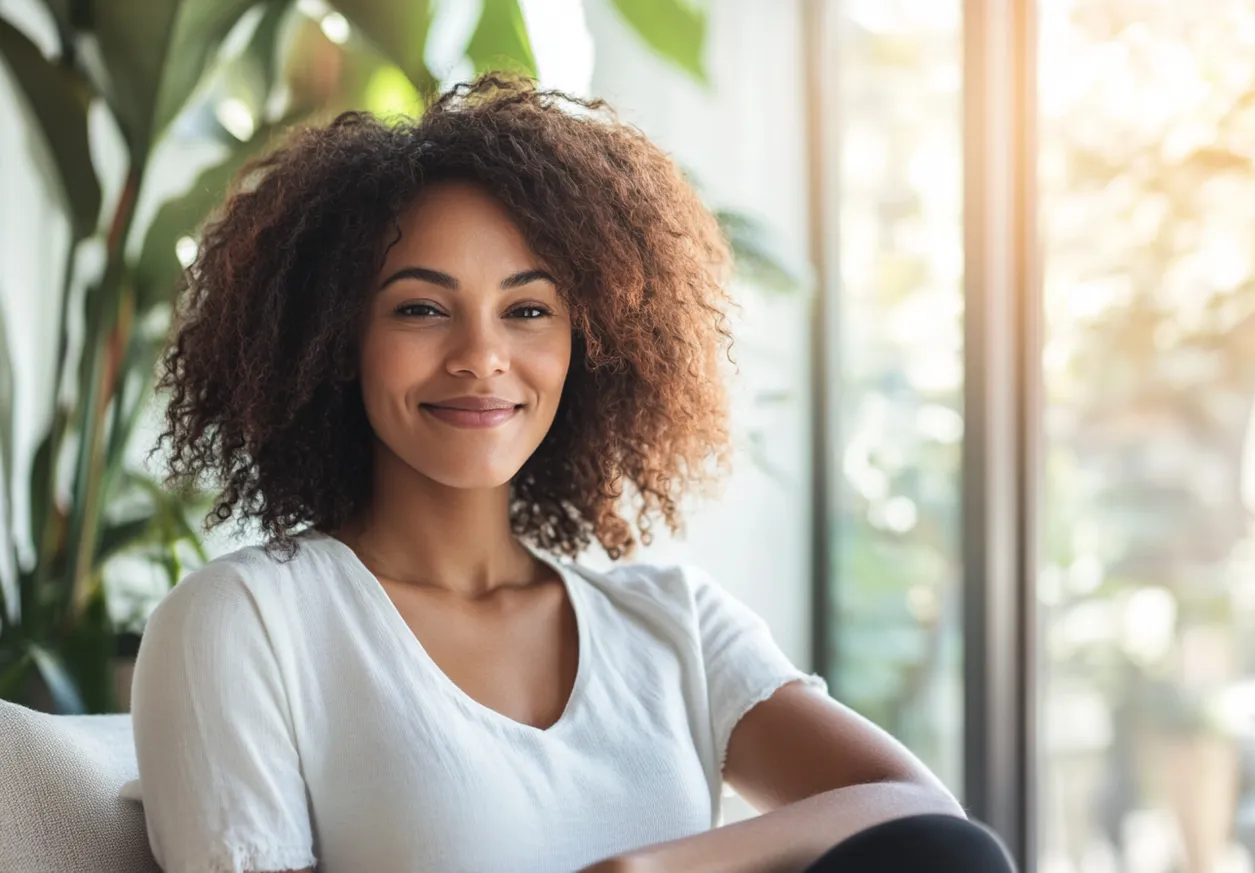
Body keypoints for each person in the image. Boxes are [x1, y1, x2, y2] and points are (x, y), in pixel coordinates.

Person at [131, 75, 1014, 873]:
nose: (481, 356)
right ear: (333, 340)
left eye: (526, 309)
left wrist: (654, 870)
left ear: (586, 344)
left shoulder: (674, 626)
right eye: (422, 308)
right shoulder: (247, 624)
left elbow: (925, 821)